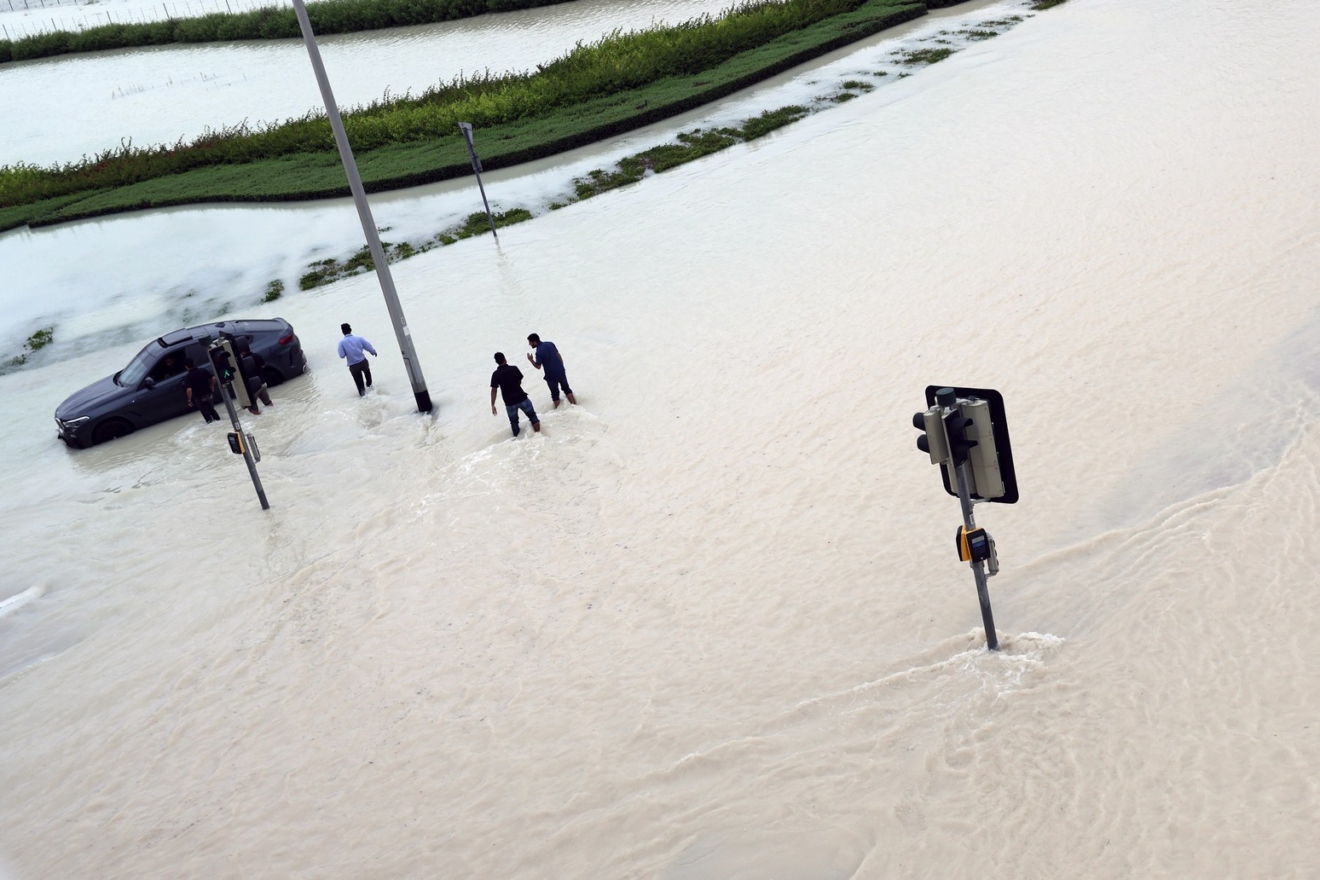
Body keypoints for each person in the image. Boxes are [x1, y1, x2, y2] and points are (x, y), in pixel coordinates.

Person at [490, 352, 540, 437]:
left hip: (509, 402)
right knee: (532, 416)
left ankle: (517, 441)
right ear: (505, 359)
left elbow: (494, 390)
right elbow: (519, 381)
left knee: (514, 422)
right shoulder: (514, 368)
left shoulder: (496, 374)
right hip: (521, 397)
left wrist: (493, 405)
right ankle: (539, 435)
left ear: (496, 362)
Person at [525, 333, 576, 408]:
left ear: (534, 342)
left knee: (555, 394)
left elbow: (538, 366)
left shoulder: (539, 352)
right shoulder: (550, 344)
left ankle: (559, 412)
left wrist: (531, 360)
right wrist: (562, 367)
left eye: (530, 342)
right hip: (560, 371)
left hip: (551, 375)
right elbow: (558, 355)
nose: (529, 344)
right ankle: (575, 405)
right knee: (566, 389)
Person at [337, 323, 378, 397]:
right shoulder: (359, 338)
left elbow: (342, 355)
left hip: (353, 366)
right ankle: (371, 388)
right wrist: (373, 352)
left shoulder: (342, 343)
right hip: (363, 362)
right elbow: (368, 347)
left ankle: (364, 399)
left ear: (343, 332)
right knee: (367, 372)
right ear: (351, 330)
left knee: (360, 388)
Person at [238, 343, 273, 415]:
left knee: (252, 409)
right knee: (268, 403)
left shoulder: (243, 361)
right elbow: (263, 366)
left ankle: (261, 421)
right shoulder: (257, 355)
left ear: (242, 351)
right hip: (263, 383)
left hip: (254, 387)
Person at [184, 358, 220, 423]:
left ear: (186, 366)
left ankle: (211, 424)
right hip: (209, 395)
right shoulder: (203, 370)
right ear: (194, 363)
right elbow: (214, 378)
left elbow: (189, 390)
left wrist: (189, 400)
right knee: (212, 410)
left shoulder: (187, 377)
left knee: (207, 416)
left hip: (199, 398)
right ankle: (219, 421)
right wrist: (212, 387)